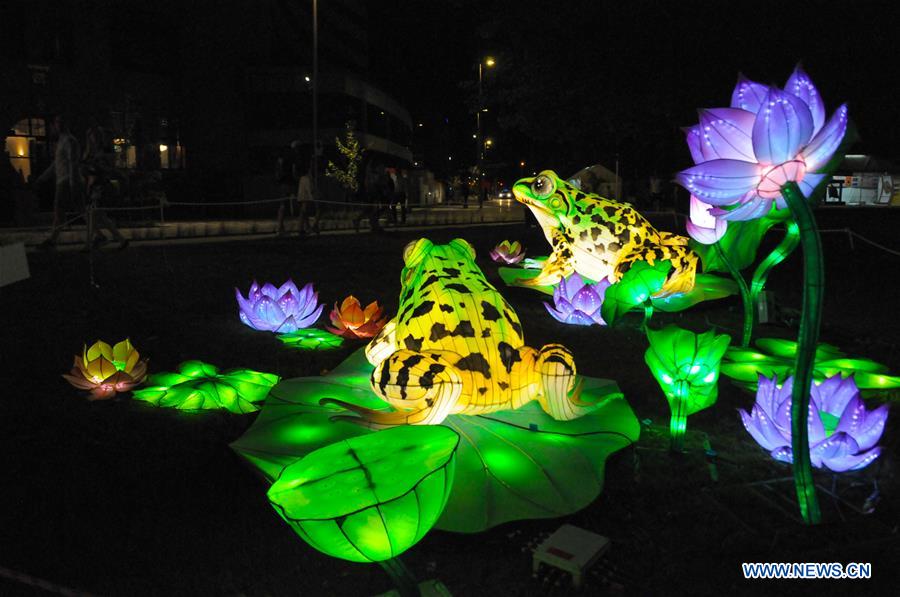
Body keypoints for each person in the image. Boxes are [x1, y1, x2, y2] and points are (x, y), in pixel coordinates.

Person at [36, 115, 84, 248]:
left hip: (66, 180)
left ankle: (52, 240)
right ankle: (99, 234)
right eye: (56, 122)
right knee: (81, 210)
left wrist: (73, 183)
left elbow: (72, 163)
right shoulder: (63, 141)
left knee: (60, 210)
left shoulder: (69, 141)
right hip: (66, 180)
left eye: (59, 122)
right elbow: (56, 164)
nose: (57, 125)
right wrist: (43, 177)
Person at [82, 119, 128, 250]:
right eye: (91, 137)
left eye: (94, 137)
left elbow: (108, 168)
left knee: (93, 215)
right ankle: (120, 239)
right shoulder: (90, 152)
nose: (93, 139)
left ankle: (89, 243)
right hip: (92, 185)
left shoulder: (104, 152)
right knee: (98, 216)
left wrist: (98, 168)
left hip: (99, 186)